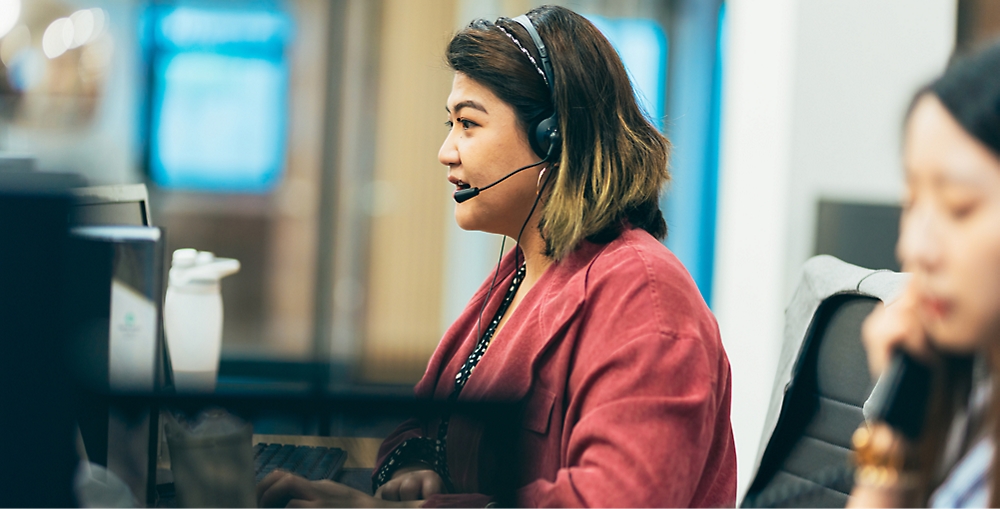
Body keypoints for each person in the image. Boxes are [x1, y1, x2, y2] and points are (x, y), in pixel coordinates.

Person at [258, 5, 736, 507]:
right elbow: (422, 419)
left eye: (468, 123)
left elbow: (617, 500)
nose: (447, 150)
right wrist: (418, 467)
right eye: (451, 123)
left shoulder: (644, 296)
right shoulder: (521, 273)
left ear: (553, 138)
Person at [848, 40, 1000, 508]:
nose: (913, 248)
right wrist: (898, 433)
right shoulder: (973, 413)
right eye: (911, 204)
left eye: (959, 207)